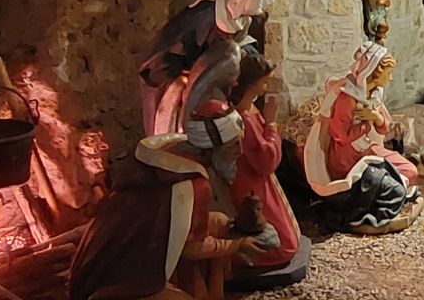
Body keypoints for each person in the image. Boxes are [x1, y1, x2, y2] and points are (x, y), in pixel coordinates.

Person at [70, 100, 275, 300]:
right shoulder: (192, 183)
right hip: (126, 275)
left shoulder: (165, 155)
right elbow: (191, 248)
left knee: (219, 223)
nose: (240, 152)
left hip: (121, 248)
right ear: (211, 148)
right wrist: (238, 245)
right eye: (232, 146)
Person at [300, 42, 421, 233]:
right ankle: (373, 207)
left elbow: (384, 128)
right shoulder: (347, 97)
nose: (390, 78)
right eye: (388, 73)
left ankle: (387, 192)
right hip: (346, 158)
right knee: (385, 183)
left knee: (410, 171)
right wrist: (366, 125)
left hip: (366, 148)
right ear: (374, 72)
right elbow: (341, 136)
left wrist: (376, 117)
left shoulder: (372, 94)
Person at [138, 0, 277, 136]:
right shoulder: (206, 12)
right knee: (167, 125)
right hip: (171, 74)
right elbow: (179, 44)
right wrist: (187, 70)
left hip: (202, 78)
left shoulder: (243, 20)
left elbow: (235, 45)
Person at [222, 58, 311, 290]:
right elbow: (266, 160)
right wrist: (271, 125)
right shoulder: (243, 118)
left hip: (259, 180)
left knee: (288, 237)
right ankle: (243, 255)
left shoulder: (249, 111)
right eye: (263, 82)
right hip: (251, 182)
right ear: (250, 84)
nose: (265, 88)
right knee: (284, 244)